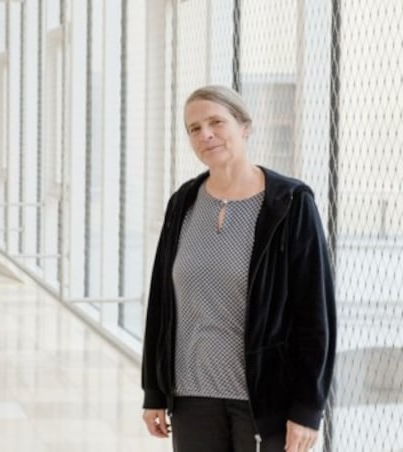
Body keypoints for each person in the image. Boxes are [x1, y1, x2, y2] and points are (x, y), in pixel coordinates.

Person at [141, 85, 336, 452]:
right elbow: (162, 304)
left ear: (245, 126)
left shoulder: (290, 203)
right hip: (190, 395)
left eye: (216, 122)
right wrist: (154, 390)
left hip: (265, 400)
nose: (206, 134)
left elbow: (315, 315)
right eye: (194, 128)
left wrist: (309, 408)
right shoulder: (183, 203)